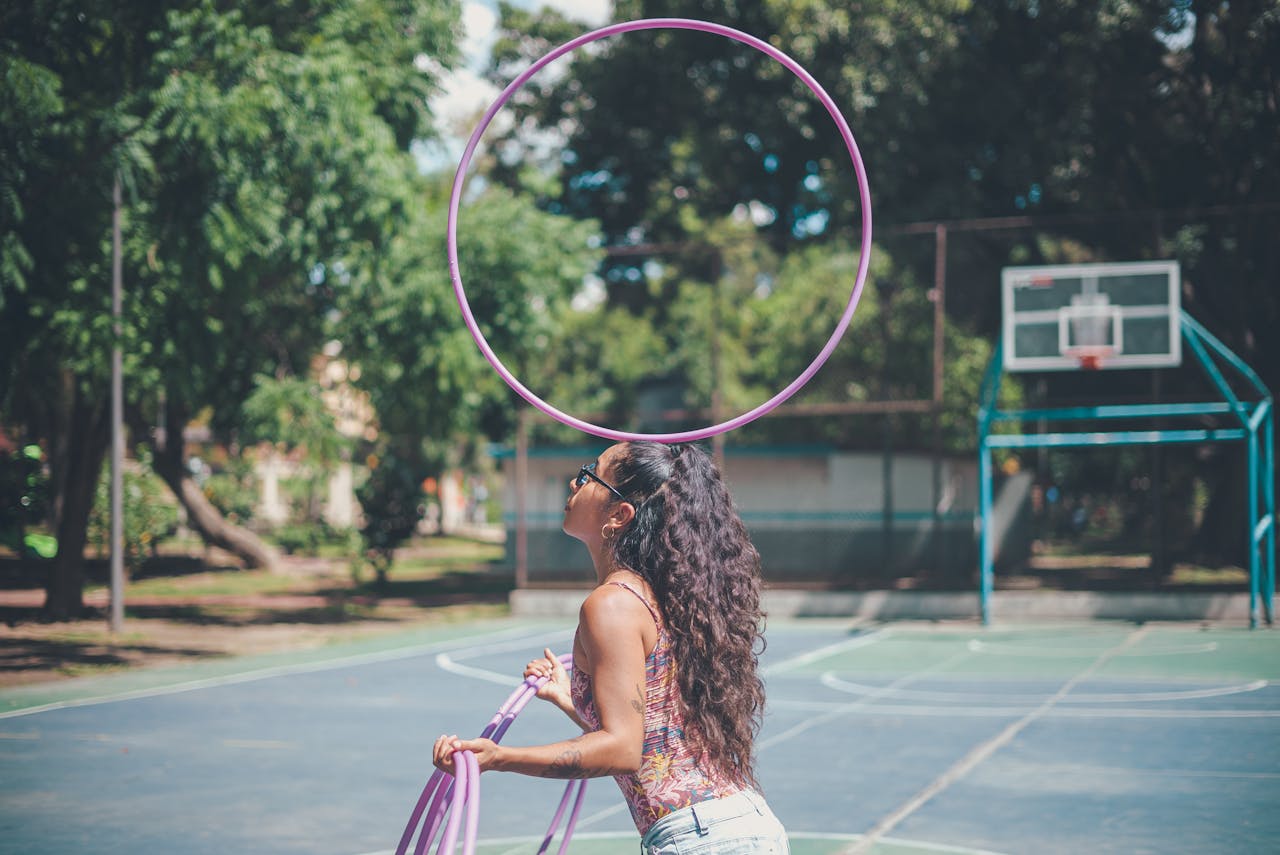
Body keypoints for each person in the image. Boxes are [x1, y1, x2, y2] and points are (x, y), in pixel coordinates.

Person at [433, 441, 788, 853]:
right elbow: (653, 735)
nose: (574, 481)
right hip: (731, 828)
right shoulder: (653, 595)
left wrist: (499, 757)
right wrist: (570, 701)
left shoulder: (612, 604)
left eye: (589, 473)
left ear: (619, 515)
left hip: (703, 838)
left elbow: (621, 749)